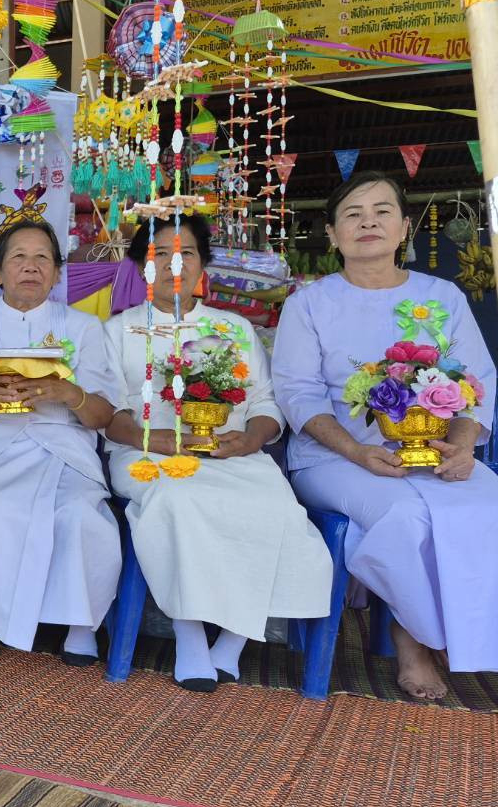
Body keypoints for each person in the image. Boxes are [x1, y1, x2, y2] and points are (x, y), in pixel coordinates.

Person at [272, 170, 498, 699]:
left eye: (382, 211)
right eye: (352, 214)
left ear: (404, 227)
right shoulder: (309, 304)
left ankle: (494, 643)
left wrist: (462, 446)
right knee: (404, 515)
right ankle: (416, 637)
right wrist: (358, 451)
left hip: (435, 451)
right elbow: (298, 396)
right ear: (332, 235)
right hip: (334, 460)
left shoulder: (442, 296)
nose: (368, 221)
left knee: (494, 509)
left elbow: (475, 383)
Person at [103, 214, 332, 692]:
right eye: (158, 255)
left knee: (277, 508)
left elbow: (267, 403)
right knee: (179, 502)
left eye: (186, 253)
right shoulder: (118, 331)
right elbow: (108, 411)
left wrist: (250, 439)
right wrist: (156, 440)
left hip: (234, 456)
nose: (173, 264)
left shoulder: (233, 328)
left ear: (203, 263)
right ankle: (190, 638)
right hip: (149, 457)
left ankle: (230, 644)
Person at [0, 204, 122, 663]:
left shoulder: (83, 328)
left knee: (78, 514)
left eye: (43, 258)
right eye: (18, 257)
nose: (31, 267)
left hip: (63, 450)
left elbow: (103, 415)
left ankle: (79, 622)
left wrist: (65, 391)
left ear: (57, 273)